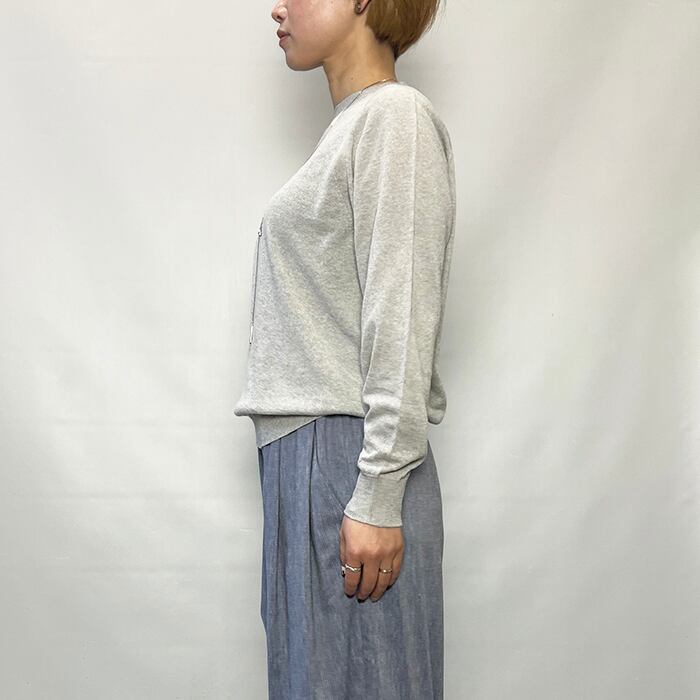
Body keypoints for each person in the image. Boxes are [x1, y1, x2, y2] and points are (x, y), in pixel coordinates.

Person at [233, 0, 456, 697]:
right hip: (308, 459)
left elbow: (403, 312)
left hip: (346, 461)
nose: (277, 8)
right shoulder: (353, 129)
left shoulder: (394, 119)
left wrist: (380, 493)